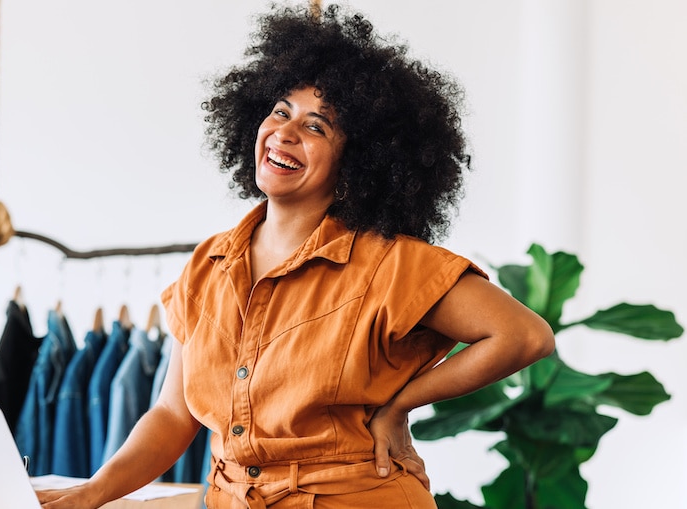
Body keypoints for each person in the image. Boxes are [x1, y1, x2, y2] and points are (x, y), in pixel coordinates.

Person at [37, 4, 555, 508]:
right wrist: (91, 493)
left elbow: (523, 336)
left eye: (316, 126)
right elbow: (174, 415)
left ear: (358, 163)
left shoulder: (390, 264)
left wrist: (402, 402)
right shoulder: (208, 265)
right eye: (280, 111)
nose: (284, 132)